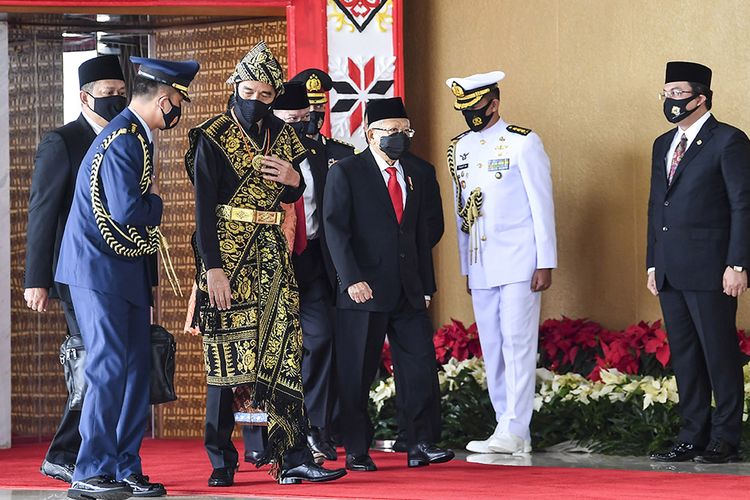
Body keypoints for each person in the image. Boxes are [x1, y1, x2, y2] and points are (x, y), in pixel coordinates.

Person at [186, 41, 346, 486]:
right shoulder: (212, 135)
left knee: (283, 353)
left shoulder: (285, 135)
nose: (256, 102)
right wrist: (211, 268)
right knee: (226, 358)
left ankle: (291, 456)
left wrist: (296, 181)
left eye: (266, 95)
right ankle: (221, 458)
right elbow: (202, 211)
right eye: (250, 92)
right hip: (228, 257)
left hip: (273, 254)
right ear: (235, 86)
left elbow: (293, 196)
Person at [55, 56, 199, 499]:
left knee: (137, 370)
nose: (178, 110)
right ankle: (90, 470)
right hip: (97, 271)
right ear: (163, 97)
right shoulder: (123, 140)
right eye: (177, 101)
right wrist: (158, 205)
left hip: (124, 271)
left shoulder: (137, 135)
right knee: (108, 368)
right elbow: (128, 212)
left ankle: (122, 466)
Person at [323, 96, 454, 471]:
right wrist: (351, 279)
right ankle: (357, 448)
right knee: (357, 371)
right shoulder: (346, 172)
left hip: (409, 288)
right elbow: (335, 230)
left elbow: (429, 229)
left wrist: (424, 283)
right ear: (369, 133)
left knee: (419, 367)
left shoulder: (420, 172)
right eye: (390, 131)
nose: (399, 137)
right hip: (363, 288)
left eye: (404, 130)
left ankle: (420, 443)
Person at [23, 55, 126, 485]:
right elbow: (43, 212)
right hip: (74, 274)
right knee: (94, 361)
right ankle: (66, 452)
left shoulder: (125, 139)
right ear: (85, 97)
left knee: (108, 363)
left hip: (119, 274)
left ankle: (86, 452)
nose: (116, 101)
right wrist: (37, 280)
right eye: (108, 95)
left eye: (122, 94)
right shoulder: (62, 141)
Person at [445, 71, 557, 455]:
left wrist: (545, 261)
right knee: (492, 345)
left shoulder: (523, 142)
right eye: (464, 109)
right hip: (482, 263)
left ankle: (518, 429)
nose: (470, 115)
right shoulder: (459, 148)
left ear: (494, 103)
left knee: (518, 343)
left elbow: (542, 206)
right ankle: (503, 424)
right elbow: (463, 214)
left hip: (519, 259)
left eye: (476, 106)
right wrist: (465, 267)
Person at [647, 61, 750, 464]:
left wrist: (738, 264)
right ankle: (692, 434)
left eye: (677, 93)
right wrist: (653, 263)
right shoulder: (662, 143)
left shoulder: (728, 141)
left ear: (700, 98)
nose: (670, 101)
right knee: (686, 355)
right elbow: (657, 205)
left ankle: (724, 437)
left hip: (713, 268)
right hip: (671, 269)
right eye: (666, 93)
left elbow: (744, 204)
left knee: (718, 353)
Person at [243, 82, 340, 463]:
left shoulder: (318, 153)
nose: (300, 126)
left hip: (310, 261)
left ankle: (313, 428)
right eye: (290, 120)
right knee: (257, 350)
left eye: (305, 119)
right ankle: (256, 437)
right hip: (264, 265)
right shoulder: (255, 152)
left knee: (319, 339)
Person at [290, 68, 355, 166]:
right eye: (307, 107)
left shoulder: (344, 153)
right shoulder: (283, 150)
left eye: (318, 106)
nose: (312, 112)